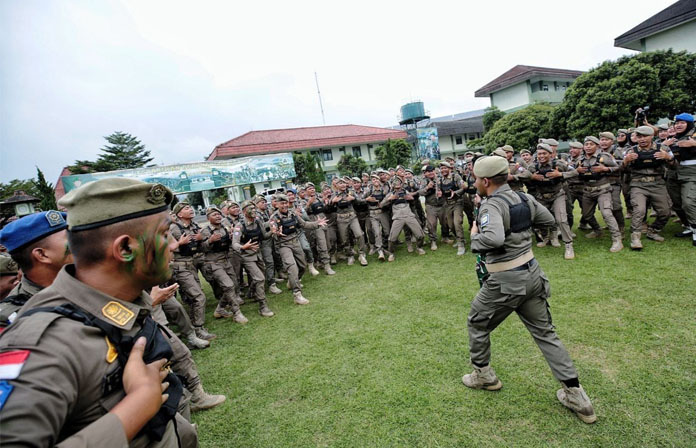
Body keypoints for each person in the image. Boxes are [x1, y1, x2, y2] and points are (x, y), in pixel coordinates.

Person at [0, 179, 198, 446]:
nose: (173, 246)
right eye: (164, 234)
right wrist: (138, 406)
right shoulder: (45, 344)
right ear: (126, 249)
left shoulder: (121, 305)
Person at [462, 156, 596, 424]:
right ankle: (577, 396)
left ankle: (484, 376)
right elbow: (547, 221)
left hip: (505, 281)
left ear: (486, 181)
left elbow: (493, 238)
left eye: (476, 179)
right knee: (546, 334)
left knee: (477, 323)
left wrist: (476, 234)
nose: (475, 183)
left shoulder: (491, 206)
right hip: (532, 273)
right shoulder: (523, 198)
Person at [168, 201, 216, 341]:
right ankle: (197, 328)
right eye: (186, 208)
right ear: (179, 214)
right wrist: (183, 244)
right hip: (180, 266)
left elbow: (201, 248)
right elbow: (172, 248)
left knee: (194, 296)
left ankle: (191, 327)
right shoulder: (174, 229)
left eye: (190, 207)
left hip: (192, 265)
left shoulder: (194, 226)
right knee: (198, 297)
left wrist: (203, 240)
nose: (191, 210)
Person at [622, 126, 674, 249]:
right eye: (639, 137)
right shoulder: (631, 151)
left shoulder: (663, 148)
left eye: (645, 136)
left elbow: (674, 166)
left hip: (657, 184)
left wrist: (668, 158)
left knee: (665, 212)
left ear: (652, 136)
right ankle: (635, 238)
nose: (642, 139)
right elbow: (622, 170)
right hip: (638, 184)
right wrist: (626, 161)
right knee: (639, 210)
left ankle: (654, 230)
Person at [270, 194, 327, 305]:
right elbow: (273, 231)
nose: (285, 205)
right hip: (283, 245)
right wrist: (276, 233)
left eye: (286, 203)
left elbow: (304, 224)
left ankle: (292, 281)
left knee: (302, 266)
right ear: (277, 204)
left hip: (295, 243)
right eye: (282, 203)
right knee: (292, 267)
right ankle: (297, 294)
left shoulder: (293, 214)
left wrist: (317, 224)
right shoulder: (274, 218)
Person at [526, 143, 577, 259]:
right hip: (541, 196)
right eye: (539, 154)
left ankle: (568, 245)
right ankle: (546, 237)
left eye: (544, 153)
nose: (541, 156)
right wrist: (531, 177)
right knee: (538, 219)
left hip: (557, 194)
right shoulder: (532, 167)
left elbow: (575, 172)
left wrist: (560, 174)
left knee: (561, 219)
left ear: (550, 154)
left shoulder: (559, 164)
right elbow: (523, 176)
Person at [200, 206, 248, 323]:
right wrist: (210, 241)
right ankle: (237, 313)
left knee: (235, 285)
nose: (217, 216)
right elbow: (200, 248)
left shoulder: (225, 228)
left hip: (226, 261)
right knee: (228, 286)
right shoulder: (205, 231)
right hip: (213, 263)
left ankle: (220, 308)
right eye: (214, 215)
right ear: (208, 218)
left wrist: (231, 238)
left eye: (218, 214)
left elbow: (230, 244)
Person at [576, 136, 623, 252]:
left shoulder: (604, 157)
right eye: (586, 144)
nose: (588, 147)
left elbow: (619, 167)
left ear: (597, 146)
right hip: (587, 190)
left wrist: (605, 169)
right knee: (586, 215)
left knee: (607, 213)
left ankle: (617, 239)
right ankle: (597, 230)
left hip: (603, 189)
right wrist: (577, 171)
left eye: (591, 144)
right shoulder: (580, 160)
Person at [231, 200, 276, 317]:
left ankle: (251, 292)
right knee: (260, 278)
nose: (253, 210)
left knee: (261, 277)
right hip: (247, 257)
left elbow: (264, 236)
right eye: (250, 208)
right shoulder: (239, 226)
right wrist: (243, 247)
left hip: (258, 255)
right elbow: (234, 244)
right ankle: (263, 306)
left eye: (254, 208)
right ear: (244, 211)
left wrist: (272, 232)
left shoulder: (258, 222)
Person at [663, 113, 696, 245]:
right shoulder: (673, 138)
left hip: (692, 173)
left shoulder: (693, 136)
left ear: (689, 124)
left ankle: (695, 229)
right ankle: (688, 226)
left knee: (688, 202)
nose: (678, 125)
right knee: (676, 203)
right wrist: (665, 149)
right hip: (674, 173)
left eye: (682, 123)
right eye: (677, 123)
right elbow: (670, 159)